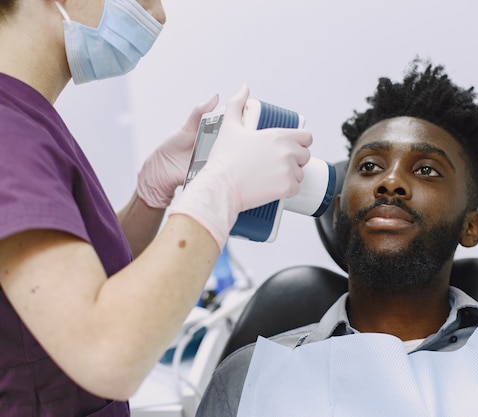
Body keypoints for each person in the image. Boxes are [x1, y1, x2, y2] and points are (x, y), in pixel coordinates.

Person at [196, 56, 478, 417]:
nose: (390, 183)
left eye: (426, 170)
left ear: (470, 227)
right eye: (368, 167)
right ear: (340, 207)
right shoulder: (245, 381)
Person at [0, 0, 312, 415]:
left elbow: (82, 282)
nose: (156, 13)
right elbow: (106, 352)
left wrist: (152, 193)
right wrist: (218, 191)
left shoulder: (27, 118)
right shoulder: (10, 134)